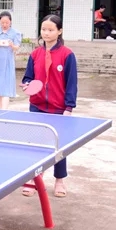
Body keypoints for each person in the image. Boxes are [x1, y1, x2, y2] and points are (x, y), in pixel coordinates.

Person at [20, 15, 77, 198]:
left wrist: (69, 107)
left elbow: (71, 83)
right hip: (36, 106)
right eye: (44, 29)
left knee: (59, 147)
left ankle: (59, 180)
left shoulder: (67, 55)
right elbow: (28, 77)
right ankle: (35, 178)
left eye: (51, 30)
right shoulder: (35, 54)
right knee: (37, 145)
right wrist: (27, 85)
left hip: (58, 108)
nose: (46, 33)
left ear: (59, 31)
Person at [0, 11, 22, 109]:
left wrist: (12, 45)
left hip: (8, 61)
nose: (4, 25)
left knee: (6, 85)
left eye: (7, 22)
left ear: (10, 22)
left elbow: (17, 47)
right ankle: (0, 108)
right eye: (2, 22)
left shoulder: (15, 33)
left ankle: (4, 110)